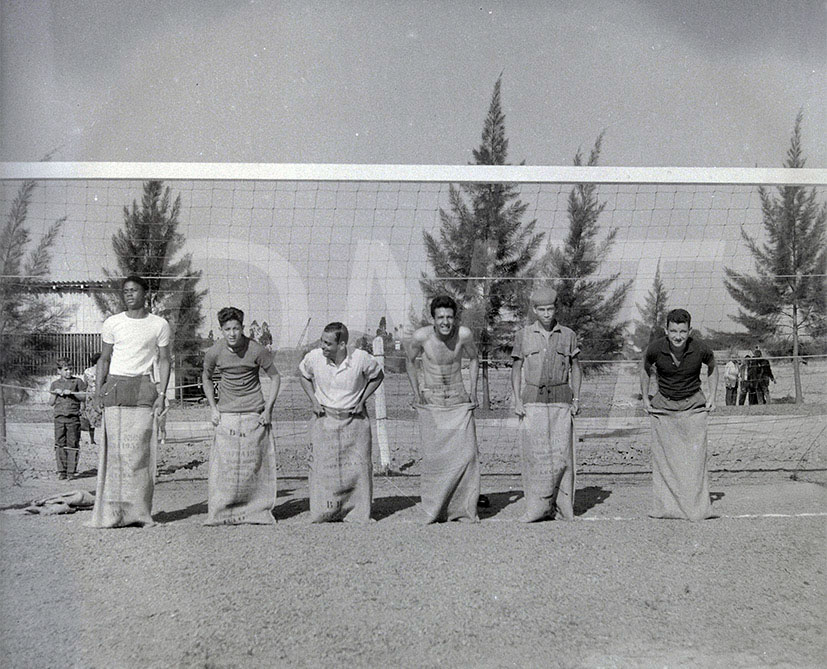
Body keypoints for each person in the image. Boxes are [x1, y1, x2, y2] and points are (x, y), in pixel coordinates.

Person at [86, 275, 171, 528]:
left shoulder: (159, 324)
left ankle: (140, 513)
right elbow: (104, 358)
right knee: (115, 453)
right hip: (115, 386)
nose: (129, 295)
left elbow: (165, 360)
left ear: (146, 293)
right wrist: (98, 391)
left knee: (139, 453)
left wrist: (162, 394)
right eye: (125, 291)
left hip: (144, 387)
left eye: (134, 290)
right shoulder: (113, 322)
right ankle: (111, 513)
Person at [201, 307, 282, 525]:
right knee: (226, 465)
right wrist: (213, 407)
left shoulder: (256, 350)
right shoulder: (214, 352)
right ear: (221, 330)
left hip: (253, 412)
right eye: (227, 329)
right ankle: (222, 511)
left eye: (236, 328)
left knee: (254, 463)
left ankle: (257, 511)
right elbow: (206, 377)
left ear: (242, 328)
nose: (232, 333)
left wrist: (268, 409)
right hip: (226, 413)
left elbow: (275, 377)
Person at [405, 296, 480, 523]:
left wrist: (473, 390)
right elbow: (410, 361)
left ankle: (464, 508)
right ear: (433, 318)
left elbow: (474, 359)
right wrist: (416, 392)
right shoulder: (421, 337)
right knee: (434, 458)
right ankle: (435, 508)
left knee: (467, 455)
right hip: (433, 399)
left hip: (458, 398)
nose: (445, 322)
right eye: (441, 317)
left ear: (454, 317)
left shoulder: (464, 335)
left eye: (449, 316)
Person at [298, 322, 384, 523]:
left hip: (354, 419)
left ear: (342, 345)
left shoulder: (361, 358)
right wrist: (314, 401)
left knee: (357, 467)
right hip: (324, 418)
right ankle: (324, 511)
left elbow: (378, 376)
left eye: (328, 343)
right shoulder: (314, 358)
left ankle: (357, 512)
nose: (323, 346)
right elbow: (303, 375)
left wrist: (362, 400)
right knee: (323, 466)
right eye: (322, 341)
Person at [511, 286, 581, 522]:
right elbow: (517, 368)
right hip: (533, 402)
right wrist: (517, 399)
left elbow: (577, 368)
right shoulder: (523, 335)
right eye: (541, 309)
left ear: (556, 308)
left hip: (561, 401)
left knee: (562, 457)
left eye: (550, 309)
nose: (546, 314)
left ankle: (563, 509)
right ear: (534, 310)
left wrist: (576, 399)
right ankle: (536, 508)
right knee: (536, 456)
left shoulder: (569, 335)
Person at [641, 308, 718, 521]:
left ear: (689, 331)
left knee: (693, 460)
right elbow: (645, 368)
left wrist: (712, 396)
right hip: (664, 407)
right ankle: (666, 508)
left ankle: (696, 507)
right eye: (673, 331)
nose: (678, 336)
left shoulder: (700, 348)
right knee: (665, 460)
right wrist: (646, 398)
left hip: (692, 406)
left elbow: (713, 366)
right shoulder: (655, 348)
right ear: (666, 330)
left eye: (682, 332)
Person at [49, 358, 87, 479]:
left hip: (73, 417)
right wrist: (55, 393)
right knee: (59, 443)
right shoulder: (54, 384)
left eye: (71, 369)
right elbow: (50, 402)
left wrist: (71, 392)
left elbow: (84, 397)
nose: (69, 372)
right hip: (59, 418)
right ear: (59, 371)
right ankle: (62, 471)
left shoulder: (77, 381)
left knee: (73, 443)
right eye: (66, 370)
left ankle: (71, 471)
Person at [80, 353, 102, 445]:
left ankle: (92, 439)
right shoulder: (104, 370)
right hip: (100, 395)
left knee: (90, 417)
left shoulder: (87, 371)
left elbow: (85, 385)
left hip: (90, 396)